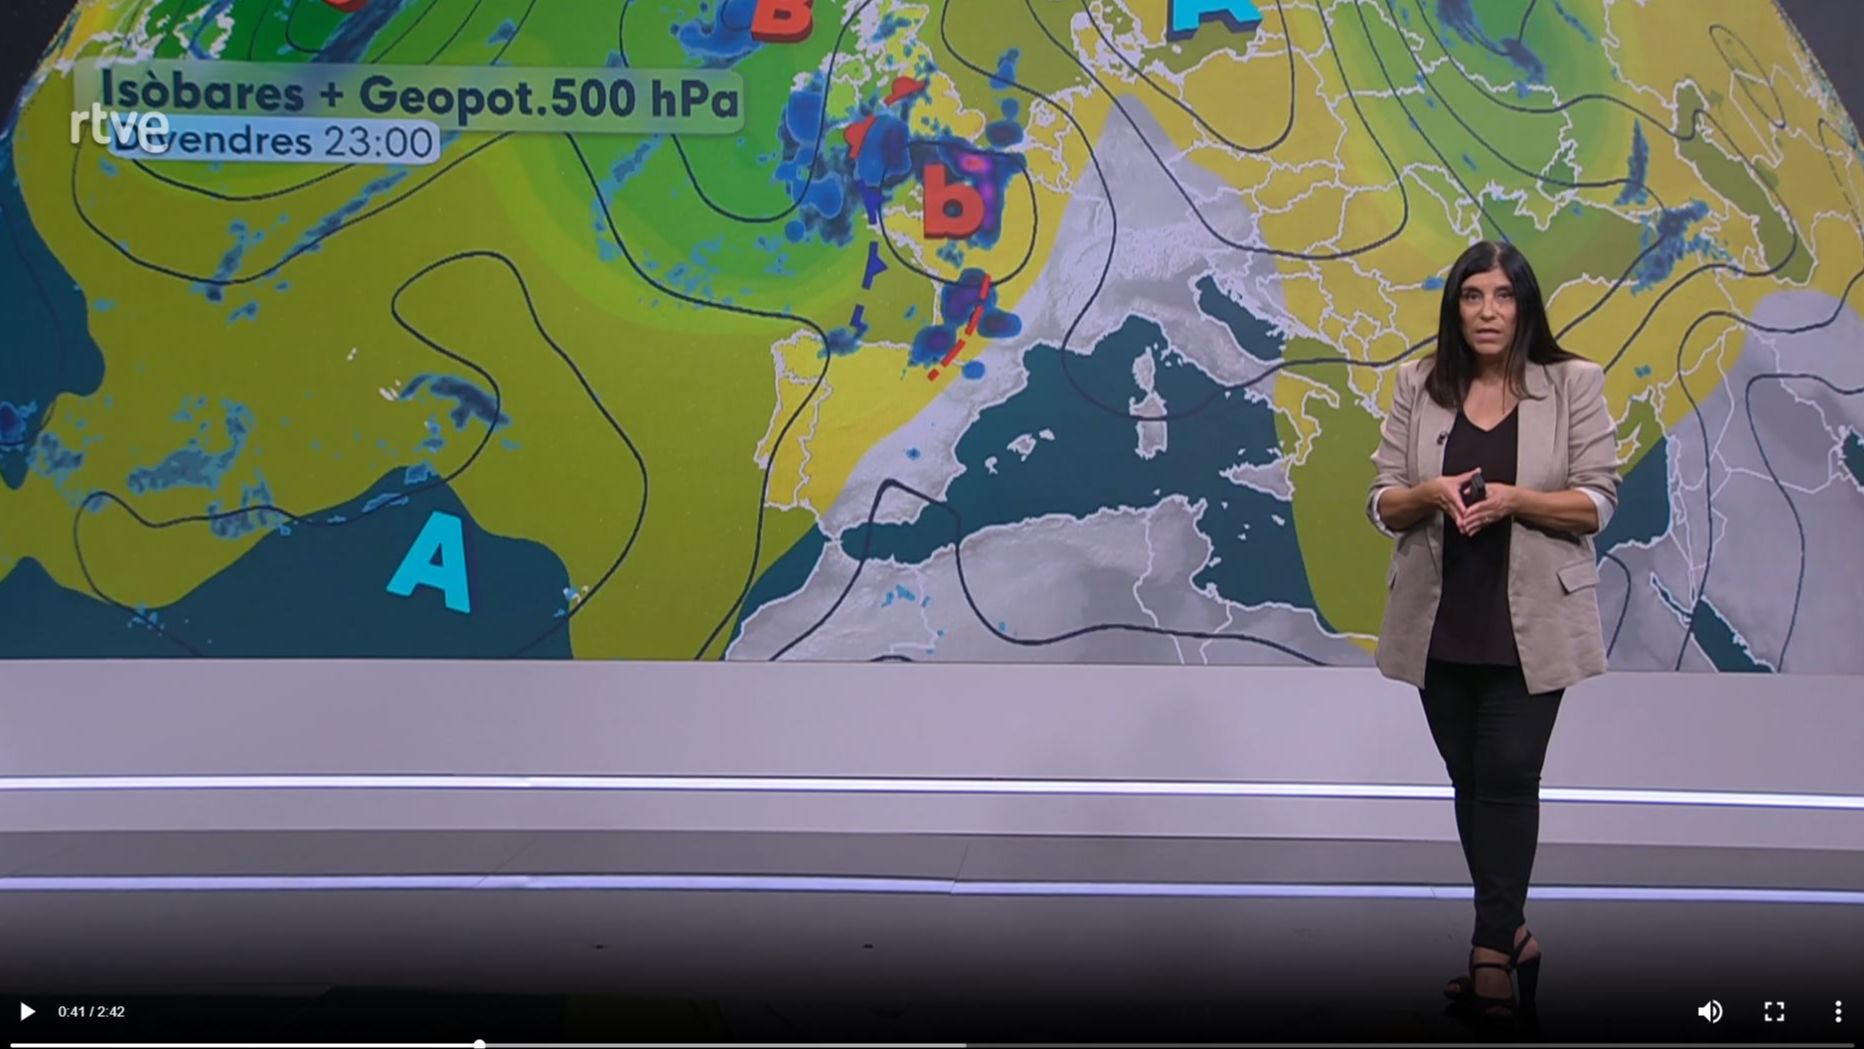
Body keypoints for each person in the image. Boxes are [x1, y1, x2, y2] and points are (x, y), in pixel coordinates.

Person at [1365, 240, 1621, 1025]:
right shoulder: (1420, 384)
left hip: (1531, 621)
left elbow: (1598, 501)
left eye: (1503, 296)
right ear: (1456, 308)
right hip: (1440, 619)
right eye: (1473, 296)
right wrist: (1429, 493)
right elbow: (1382, 500)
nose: (1487, 311)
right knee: (1471, 781)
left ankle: (1488, 954)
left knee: (1509, 772)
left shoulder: (1572, 384)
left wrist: (1515, 501)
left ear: (1525, 306)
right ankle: (1515, 935)